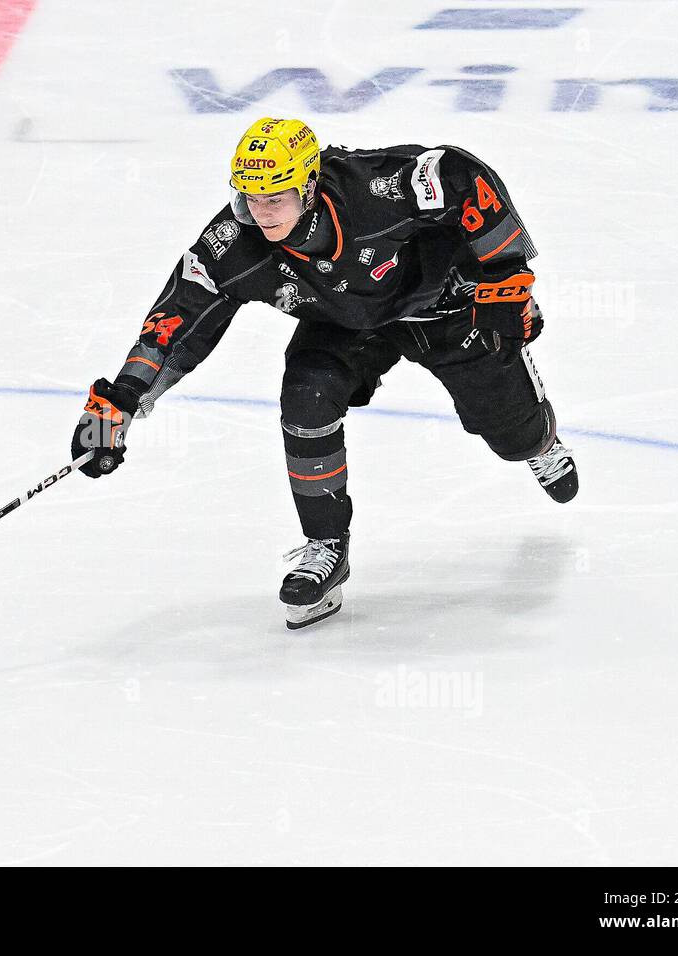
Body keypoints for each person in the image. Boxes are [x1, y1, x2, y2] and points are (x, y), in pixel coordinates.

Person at [71, 117, 577, 629]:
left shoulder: (373, 190)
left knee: (515, 436)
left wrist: (506, 276)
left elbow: (460, 174)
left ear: (309, 186)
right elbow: (173, 327)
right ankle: (326, 547)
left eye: (274, 199)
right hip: (342, 324)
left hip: (442, 307)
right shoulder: (232, 243)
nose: (258, 213)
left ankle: (541, 444)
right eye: (247, 197)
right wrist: (116, 407)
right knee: (306, 396)